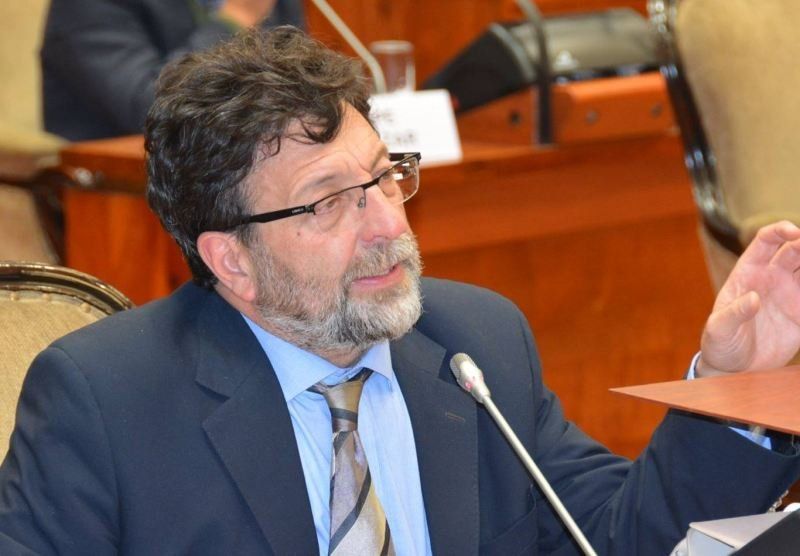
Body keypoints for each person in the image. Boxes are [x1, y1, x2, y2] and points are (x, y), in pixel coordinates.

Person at [2, 27, 800, 555]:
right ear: (232, 260)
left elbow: (617, 540)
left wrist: (732, 385)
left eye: (385, 177)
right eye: (328, 203)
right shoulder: (108, 402)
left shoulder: (474, 345)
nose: (387, 224)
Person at [40, 0, 305, 141]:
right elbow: (154, 110)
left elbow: (298, 87)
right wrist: (235, 18)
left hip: (256, 164)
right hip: (117, 194)